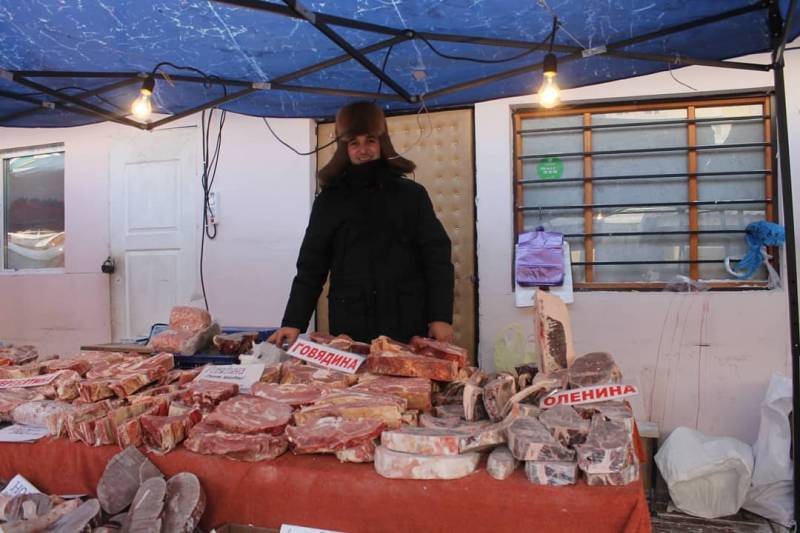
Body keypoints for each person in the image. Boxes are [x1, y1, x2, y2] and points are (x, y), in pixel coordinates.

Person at [268, 101, 454, 348]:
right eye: (354, 143)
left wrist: (440, 317)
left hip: (406, 320)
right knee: (355, 386)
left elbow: (437, 260)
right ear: (344, 148)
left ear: (382, 143)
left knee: (407, 386)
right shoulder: (328, 202)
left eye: (370, 140)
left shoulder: (412, 196)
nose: (362, 149)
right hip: (350, 325)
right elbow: (311, 268)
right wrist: (293, 321)